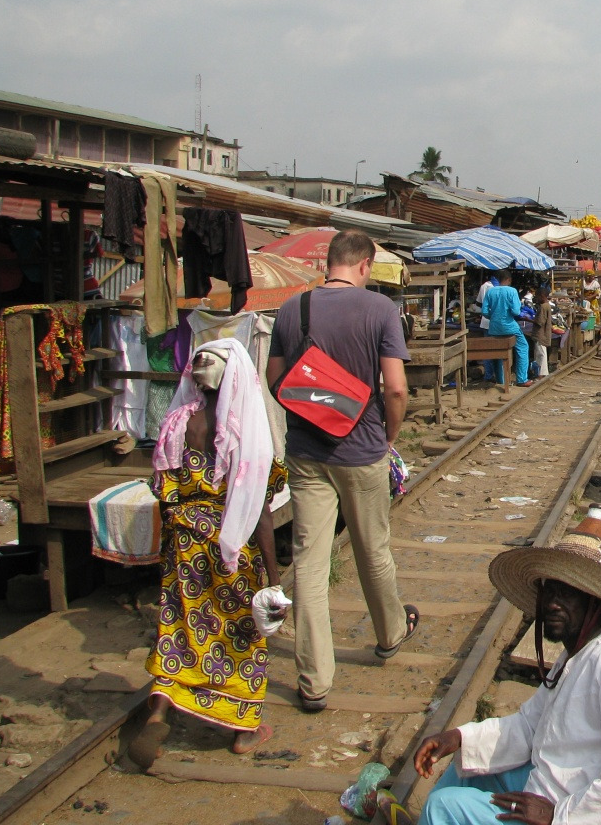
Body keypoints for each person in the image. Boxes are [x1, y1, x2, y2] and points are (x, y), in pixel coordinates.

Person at [410, 512, 601, 825]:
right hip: (563, 786)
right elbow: (530, 726)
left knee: (443, 806)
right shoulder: (576, 657)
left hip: (595, 814)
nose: (553, 604)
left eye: (567, 594)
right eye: (550, 591)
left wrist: (560, 815)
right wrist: (459, 738)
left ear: (594, 602)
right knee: (467, 770)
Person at [268, 230, 419, 712]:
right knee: (372, 547)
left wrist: (311, 409)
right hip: (362, 450)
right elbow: (395, 388)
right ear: (365, 265)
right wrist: (388, 436)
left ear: (328, 262)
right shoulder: (380, 310)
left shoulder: (293, 309)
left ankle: (314, 680)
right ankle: (391, 633)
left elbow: (275, 379)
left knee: (309, 561)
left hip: (306, 453)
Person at [130, 340, 288, 768]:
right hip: (229, 546)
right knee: (240, 633)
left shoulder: (180, 421)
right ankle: (243, 729)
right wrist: (273, 577)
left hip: (184, 545)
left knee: (180, 624)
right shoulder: (244, 429)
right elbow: (259, 509)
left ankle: (161, 709)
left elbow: (164, 489)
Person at [482, 270, 531, 388]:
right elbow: (516, 311)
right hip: (510, 326)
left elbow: (484, 312)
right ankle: (522, 379)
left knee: (498, 352)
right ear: (508, 280)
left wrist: (494, 317)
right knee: (523, 347)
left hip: (494, 327)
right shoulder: (512, 291)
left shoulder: (490, 291)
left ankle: (501, 380)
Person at [531, 287, 552, 379]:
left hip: (541, 334)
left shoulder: (543, 307)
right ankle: (542, 372)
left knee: (541, 354)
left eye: (537, 296)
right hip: (544, 334)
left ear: (542, 296)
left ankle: (541, 373)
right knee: (541, 353)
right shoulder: (547, 305)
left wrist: (528, 319)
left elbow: (540, 322)